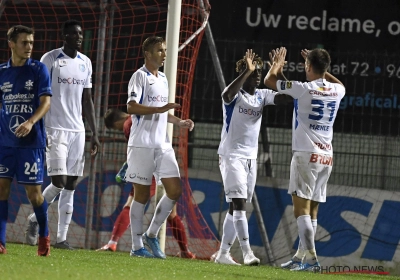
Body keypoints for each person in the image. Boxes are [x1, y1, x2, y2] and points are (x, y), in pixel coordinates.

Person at [264, 47, 345, 272]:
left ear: (307, 66)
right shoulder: (337, 90)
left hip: (305, 156)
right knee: (313, 211)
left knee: (301, 211)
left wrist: (277, 65)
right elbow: (337, 83)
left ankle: (311, 260)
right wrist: (321, 69)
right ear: (326, 68)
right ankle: (301, 257)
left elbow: (269, 80)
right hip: (326, 157)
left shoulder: (303, 89)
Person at [25, 19, 100, 249]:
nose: (78, 37)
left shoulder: (85, 62)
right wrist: (37, 124)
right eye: (74, 34)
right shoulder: (50, 59)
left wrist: (94, 133)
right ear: (64, 36)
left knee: (71, 185)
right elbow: (39, 93)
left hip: (77, 130)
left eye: (80, 34)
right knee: (58, 181)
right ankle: (34, 218)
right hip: (54, 129)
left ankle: (61, 239)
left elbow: (87, 100)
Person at [214, 49, 291, 266]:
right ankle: (247, 253)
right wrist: (246, 72)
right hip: (231, 157)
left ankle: (222, 254)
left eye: (258, 72)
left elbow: (286, 98)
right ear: (244, 73)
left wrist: (279, 71)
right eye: (253, 72)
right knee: (239, 205)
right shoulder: (234, 96)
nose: (258, 75)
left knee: (235, 207)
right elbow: (225, 95)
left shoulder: (261, 95)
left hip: (250, 159)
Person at [125, 36, 194, 258]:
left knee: (174, 190)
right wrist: (159, 109)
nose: (164, 54)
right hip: (142, 145)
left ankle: (152, 234)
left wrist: (179, 122)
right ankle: (136, 247)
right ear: (147, 53)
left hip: (162, 145)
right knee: (141, 196)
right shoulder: (139, 76)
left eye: (164, 50)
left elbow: (163, 111)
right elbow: (132, 107)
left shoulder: (163, 78)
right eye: (159, 50)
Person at [97, 108, 195, 259]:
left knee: (135, 202)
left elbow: (138, 147)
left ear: (116, 122)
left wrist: (128, 166)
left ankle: (115, 242)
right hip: (157, 160)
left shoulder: (128, 124)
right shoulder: (137, 117)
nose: (118, 130)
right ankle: (182, 250)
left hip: (151, 163)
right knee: (169, 207)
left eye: (115, 128)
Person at [0, 25, 52, 256]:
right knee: (1, 189)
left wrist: (31, 122)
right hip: (5, 142)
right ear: (11, 44)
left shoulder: (39, 69)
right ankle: (1, 242)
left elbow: (46, 103)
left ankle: (44, 235)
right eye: (24, 42)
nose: (29, 47)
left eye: (31, 42)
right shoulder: (2, 71)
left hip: (31, 143)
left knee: (35, 195)